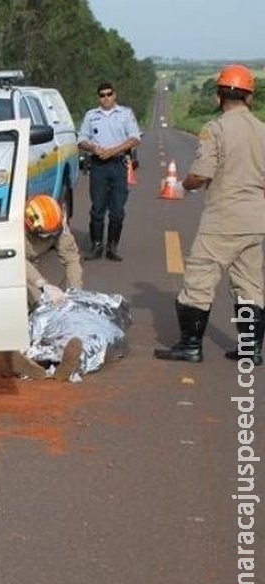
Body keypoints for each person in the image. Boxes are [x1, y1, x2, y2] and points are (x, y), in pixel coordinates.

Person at [154, 64, 265, 364]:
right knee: (250, 286)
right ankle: (250, 349)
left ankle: (190, 346)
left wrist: (182, 185)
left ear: (218, 97)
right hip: (256, 220)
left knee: (199, 282)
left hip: (223, 219)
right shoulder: (261, 130)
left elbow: (202, 174)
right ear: (250, 98)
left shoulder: (216, 129)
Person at [10, 194, 84, 380]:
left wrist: (75, 293)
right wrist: (42, 284)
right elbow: (17, 259)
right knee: (34, 303)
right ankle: (24, 356)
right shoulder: (14, 225)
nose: (50, 238)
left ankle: (58, 361)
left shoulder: (57, 225)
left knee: (56, 309)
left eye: (53, 234)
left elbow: (71, 259)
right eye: (45, 235)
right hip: (10, 265)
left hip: (31, 265)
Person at [77, 82, 142, 261]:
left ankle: (112, 246)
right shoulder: (91, 115)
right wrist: (93, 148)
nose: (105, 98)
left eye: (109, 94)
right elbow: (81, 139)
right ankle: (96, 245)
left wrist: (113, 150)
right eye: (102, 95)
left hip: (118, 164)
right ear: (98, 97)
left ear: (115, 95)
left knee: (117, 210)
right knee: (97, 208)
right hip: (98, 166)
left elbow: (135, 138)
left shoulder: (125, 114)